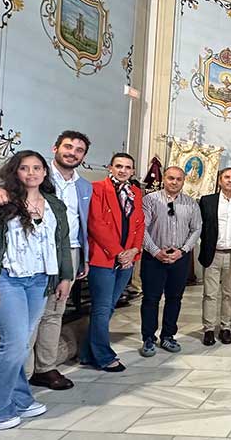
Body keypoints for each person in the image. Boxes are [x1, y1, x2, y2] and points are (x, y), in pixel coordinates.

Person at [0, 151, 73, 430]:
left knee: (22, 342)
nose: (31, 173)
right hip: (8, 280)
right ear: (15, 172)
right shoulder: (1, 201)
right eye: (24, 168)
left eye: (37, 168)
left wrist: (65, 276)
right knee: (13, 344)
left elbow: (61, 243)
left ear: (44, 173)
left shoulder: (54, 205)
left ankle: (18, 398)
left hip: (39, 280)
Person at [0, 131, 92, 390]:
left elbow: (83, 224)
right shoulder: (37, 173)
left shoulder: (85, 185)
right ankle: (23, 373)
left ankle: (46, 367)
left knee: (54, 313)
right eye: (68, 147)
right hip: (27, 259)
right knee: (28, 320)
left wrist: (81, 259)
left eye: (79, 150)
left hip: (68, 252)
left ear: (83, 156)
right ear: (55, 147)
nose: (72, 153)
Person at [80, 152, 144, 371]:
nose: (123, 170)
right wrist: (119, 252)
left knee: (108, 308)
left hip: (126, 260)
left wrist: (134, 249)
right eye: (118, 166)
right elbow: (96, 223)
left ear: (133, 171)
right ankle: (104, 356)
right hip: (104, 258)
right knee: (101, 307)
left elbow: (139, 224)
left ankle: (88, 353)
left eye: (127, 167)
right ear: (110, 167)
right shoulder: (97, 188)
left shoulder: (135, 192)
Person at [139, 166, 202, 357]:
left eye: (179, 179)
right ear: (164, 179)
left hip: (179, 258)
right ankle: (148, 338)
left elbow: (197, 229)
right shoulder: (150, 200)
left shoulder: (191, 203)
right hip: (154, 258)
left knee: (174, 298)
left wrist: (182, 251)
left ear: (184, 181)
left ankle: (168, 335)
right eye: (171, 178)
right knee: (151, 299)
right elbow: (141, 228)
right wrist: (156, 251)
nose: (174, 182)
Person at [198, 168, 231, 346]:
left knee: (229, 294)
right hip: (213, 253)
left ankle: (225, 328)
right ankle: (209, 329)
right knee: (210, 294)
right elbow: (200, 226)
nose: (230, 181)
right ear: (220, 180)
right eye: (227, 177)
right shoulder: (207, 201)